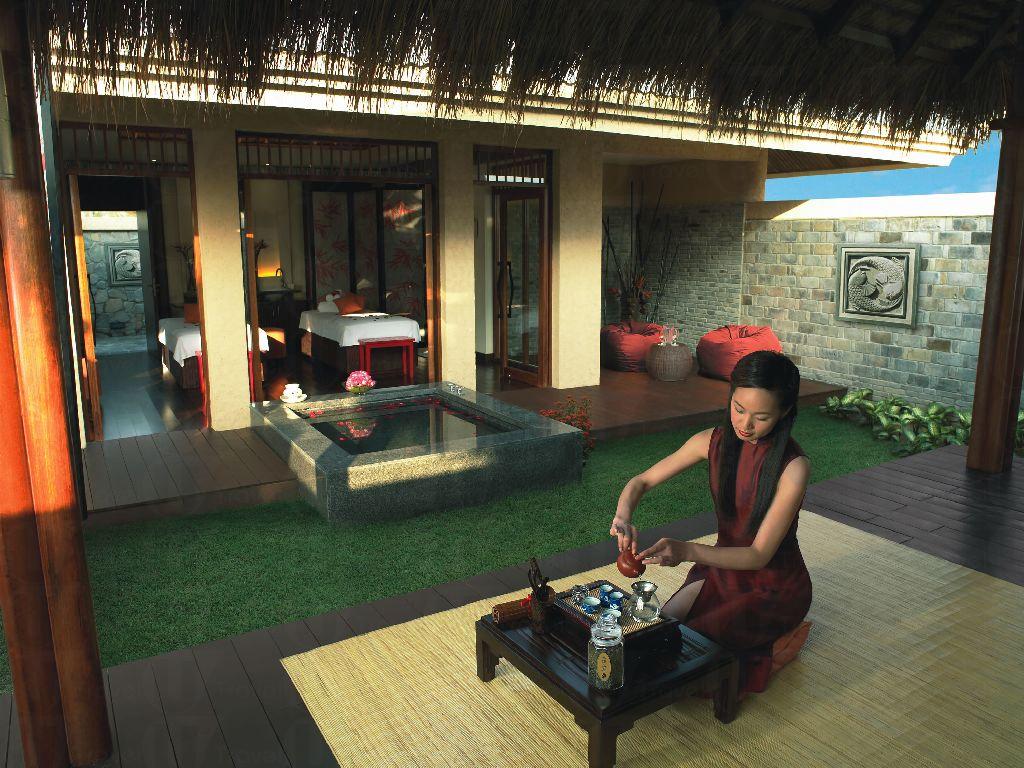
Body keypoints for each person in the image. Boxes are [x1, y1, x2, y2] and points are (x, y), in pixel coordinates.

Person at [609, 350, 812, 695]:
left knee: (689, 664)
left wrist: (686, 551)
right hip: (720, 567)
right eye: (738, 408)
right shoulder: (711, 442)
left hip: (773, 585)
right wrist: (623, 516)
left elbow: (758, 555)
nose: (745, 424)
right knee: (657, 633)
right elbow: (640, 481)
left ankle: (778, 646)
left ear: (784, 412)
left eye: (761, 416)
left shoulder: (794, 468)